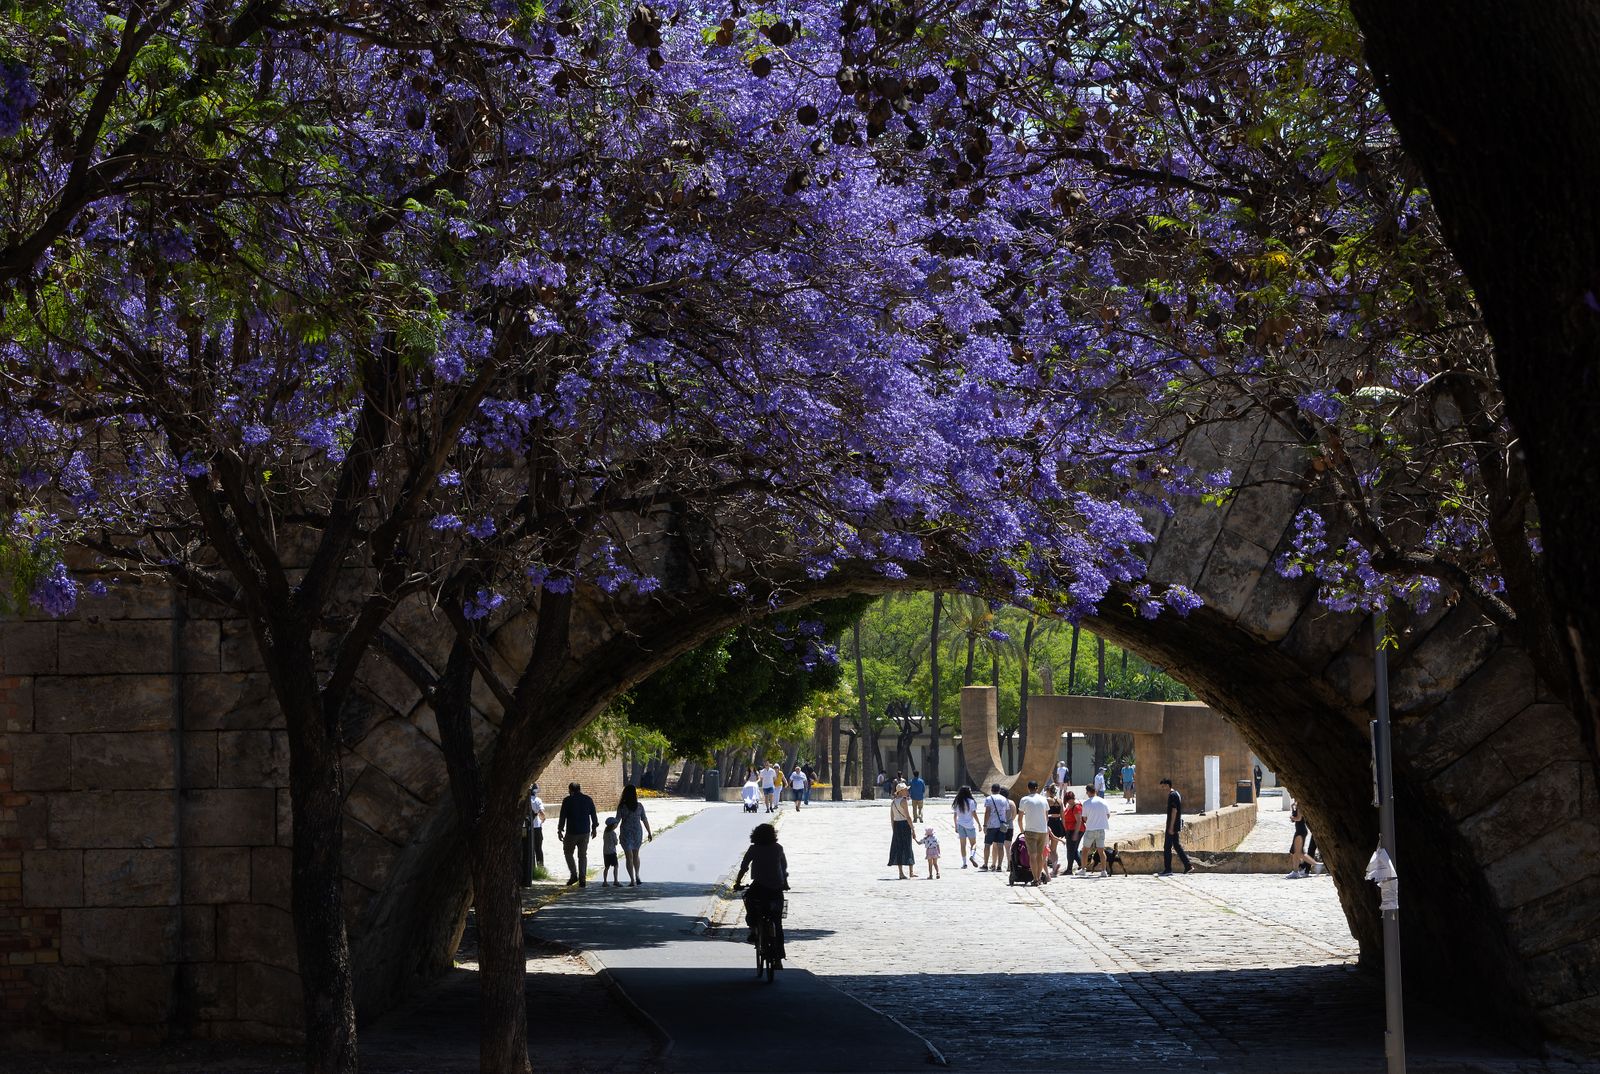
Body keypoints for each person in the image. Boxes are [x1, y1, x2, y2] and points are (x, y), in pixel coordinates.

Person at [733, 822, 789, 963]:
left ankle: (753, 929)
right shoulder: (778, 848)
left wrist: (738, 883)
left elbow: (744, 867)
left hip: (760, 886)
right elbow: (783, 868)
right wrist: (785, 883)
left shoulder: (754, 849)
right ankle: (779, 957)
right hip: (776, 888)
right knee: (777, 922)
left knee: (749, 900)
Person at [557, 781, 599, 887]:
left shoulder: (567, 800)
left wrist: (560, 830)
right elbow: (594, 815)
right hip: (585, 832)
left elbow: (563, 816)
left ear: (570, 790)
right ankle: (582, 879)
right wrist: (594, 828)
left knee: (568, 852)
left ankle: (574, 874)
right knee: (582, 856)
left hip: (571, 832)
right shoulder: (588, 799)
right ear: (580, 789)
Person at [615, 783, 653, 885]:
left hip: (626, 832)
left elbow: (617, 820)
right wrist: (649, 832)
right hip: (637, 832)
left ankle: (632, 879)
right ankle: (637, 875)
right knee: (636, 855)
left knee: (629, 857)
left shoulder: (621, 807)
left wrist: (609, 829)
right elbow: (644, 819)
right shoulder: (639, 806)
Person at [1017, 780, 1050, 886]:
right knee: (1040, 855)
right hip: (1042, 830)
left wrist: (1022, 830)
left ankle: (1035, 878)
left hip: (1030, 830)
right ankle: (1039, 877)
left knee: (1032, 856)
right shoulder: (1043, 800)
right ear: (1037, 788)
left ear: (1028, 788)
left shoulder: (1024, 800)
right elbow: (1046, 816)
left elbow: (1020, 818)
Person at [1159, 777, 1193, 875]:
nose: (1163, 789)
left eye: (1163, 787)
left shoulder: (1172, 795)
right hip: (1175, 824)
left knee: (1167, 847)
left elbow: (1174, 811)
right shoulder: (1176, 794)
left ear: (1167, 785)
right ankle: (1188, 865)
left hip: (1172, 825)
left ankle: (1168, 869)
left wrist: (1171, 827)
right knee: (1177, 846)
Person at [1079, 783, 1111, 874]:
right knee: (1101, 851)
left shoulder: (1086, 803)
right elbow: (1108, 815)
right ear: (1095, 791)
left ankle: (1083, 869)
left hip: (1090, 829)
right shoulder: (1103, 801)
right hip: (1101, 829)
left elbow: (1084, 818)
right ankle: (1104, 871)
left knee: (1085, 850)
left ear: (1088, 792)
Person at [888, 782, 917, 878]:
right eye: (905, 790)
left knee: (899, 848)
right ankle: (911, 872)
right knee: (908, 847)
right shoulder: (903, 801)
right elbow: (908, 816)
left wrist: (894, 830)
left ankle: (901, 873)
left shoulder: (893, 802)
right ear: (901, 791)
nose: (907, 791)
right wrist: (913, 828)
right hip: (904, 824)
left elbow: (892, 818)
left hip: (896, 825)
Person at [982, 782, 1012, 871]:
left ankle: (986, 864)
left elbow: (987, 812)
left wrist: (985, 825)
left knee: (987, 845)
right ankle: (999, 866)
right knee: (1000, 845)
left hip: (991, 825)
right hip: (1001, 825)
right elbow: (1007, 811)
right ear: (999, 790)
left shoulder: (989, 799)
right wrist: (1005, 821)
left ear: (991, 790)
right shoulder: (1004, 799)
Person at [952, 785, 981, 868]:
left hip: (960, 824)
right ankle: (972, 855)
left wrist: (955, 826)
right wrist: (979, 823)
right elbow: (974, 814)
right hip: (969, 825)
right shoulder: (971, 801)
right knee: (974, 843)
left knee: (962, 845)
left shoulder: (957, 802)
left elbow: (955, 816)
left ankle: (964, 863)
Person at [1286, 803, 1318, 878]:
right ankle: (1296, 871)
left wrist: (1292, 817)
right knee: (1294, 852)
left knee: (1298, 852)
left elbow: (1299, 818)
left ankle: (1315, 865)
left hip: (1300, 831)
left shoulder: (1300, 805)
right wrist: (1292, 808)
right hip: (1299, 831)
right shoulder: (1296, 805)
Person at [1061, 789, 1084, 875]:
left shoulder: (1076, 807)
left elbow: (1079, 821)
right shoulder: (1069, 806)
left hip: (1076, 830)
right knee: (1072, 850)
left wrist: (1076, 833)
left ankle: (1070, 869)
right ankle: (1082, 865)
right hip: (1070, 830)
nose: (1068, 801)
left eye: (1069, 799)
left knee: (1071, 850)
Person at [1046, 786, 1067, 877]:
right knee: (1054, 849)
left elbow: (1045, 814)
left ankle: (1050, 866)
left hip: (1050, 823)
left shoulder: (1047, 800)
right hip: (1058, 824)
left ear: (1048, 791)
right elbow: (1063, 816)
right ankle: (1054, 867)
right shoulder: (1060, 801)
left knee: (1046, 847)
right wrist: (1064, 828)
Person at [527, 784, 546, 869]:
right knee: (538, 848)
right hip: (537, 827)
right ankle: (540, 867)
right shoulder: (538, 800)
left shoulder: (526, 800)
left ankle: (531, 867)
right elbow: (541, 813)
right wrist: (543, 819)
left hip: (527, 828)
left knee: (529, 848)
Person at [601, 817, 621, 886]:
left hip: (605, 852)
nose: (616, 825)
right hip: (612, 852)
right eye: (616, 824)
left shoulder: (605, 832)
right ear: (613, 825)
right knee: (616, 866)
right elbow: (616, 843)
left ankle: (605, 881)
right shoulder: (613, 833)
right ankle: (615, 880)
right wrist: (618, 839)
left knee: (606, 867)